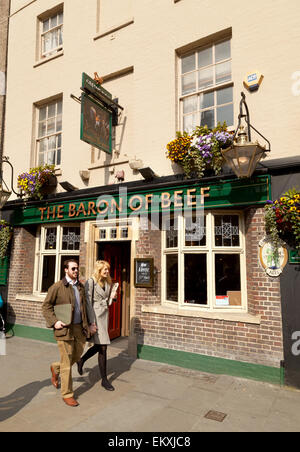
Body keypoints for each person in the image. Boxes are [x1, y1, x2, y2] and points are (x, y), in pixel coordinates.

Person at [42, 259, 94, 407]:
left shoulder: (80, 287)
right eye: (73, 269)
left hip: (79, 328)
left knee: (77, 356)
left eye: (77, 268)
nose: (76, 271)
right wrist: (54, 322)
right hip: (64, 329)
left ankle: (55, 368)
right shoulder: (57, 287)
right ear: (66, 270)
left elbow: (84, 308)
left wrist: (90, 324)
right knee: (67, 362)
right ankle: (67, 394)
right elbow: (46, 307)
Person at [77, 260, 115, 391]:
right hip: (95, 317)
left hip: (104, 315)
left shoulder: (107, 282)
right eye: (105, 269)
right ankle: (104, 380)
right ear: (98, 270)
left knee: (100, 345)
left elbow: (107, 300)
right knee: (103, 347)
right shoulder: (91, 282)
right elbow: (87, 303)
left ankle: (82, 360)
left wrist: (112, 298)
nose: (107, 271)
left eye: (107, 269)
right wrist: (91, 322)